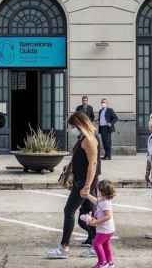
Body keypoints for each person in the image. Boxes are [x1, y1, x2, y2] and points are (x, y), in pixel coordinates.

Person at [47, 111, 101, 259]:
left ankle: (64, 248)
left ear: (79, 124)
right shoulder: (84, 137)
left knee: (69, 211)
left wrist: (87, 186)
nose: (71, 128)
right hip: (82, 181)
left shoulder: (89, 139)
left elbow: (93, 164)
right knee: (89, 215)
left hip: (84, 182)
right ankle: (97, 246)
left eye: (72, 126)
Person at [82, 180, 116, 268]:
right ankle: (110, 262)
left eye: (98, 190)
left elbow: (108, 216)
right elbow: (96, 201)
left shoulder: (105, 203)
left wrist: (96, 222)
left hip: (105, 230)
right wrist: (88, 195)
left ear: (102, 192)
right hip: (108, 229)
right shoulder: (103, 199)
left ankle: (102, 263)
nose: (97, 192)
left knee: (96, 243)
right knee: (105, 245)